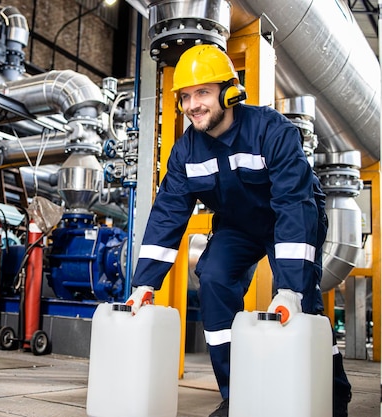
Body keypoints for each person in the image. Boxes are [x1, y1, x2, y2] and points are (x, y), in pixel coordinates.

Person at [125, 44, 352, 417]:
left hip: (292, 220)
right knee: (213, 277)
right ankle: (239, 394)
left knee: (304, 308)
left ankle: (332, 393)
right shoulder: (185, 153)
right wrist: (144, 285)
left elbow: (293, 204)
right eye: (185, 96)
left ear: (230, 92)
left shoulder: (270, 130)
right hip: (238, 225)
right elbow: (167, 213)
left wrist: (291, 288)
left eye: (202, 92)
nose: (192, 105)